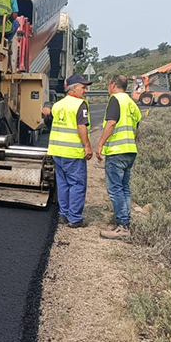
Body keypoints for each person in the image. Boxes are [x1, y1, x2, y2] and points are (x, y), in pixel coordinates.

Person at [43, 74, 94, 228]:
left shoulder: (58, 105)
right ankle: (75, 218)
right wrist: (87, 146)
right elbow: (81, 127)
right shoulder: (80, 104)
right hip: (73, 152)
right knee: (77, 184)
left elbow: (48, 121)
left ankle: (63, 215)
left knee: (63, 184)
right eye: (83, 87)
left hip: (58, 151)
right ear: (74, 88)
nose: (85, 91)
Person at [96, 74, 143, 239]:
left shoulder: (115, 100)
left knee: (115, 189)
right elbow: (137, 127)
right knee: (124, 188)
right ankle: (124, 222)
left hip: (117, 151)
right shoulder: (131, 103)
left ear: (112, 84)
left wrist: (100, 143)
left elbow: (111, 123)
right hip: (130, 150)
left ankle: (122, 227)